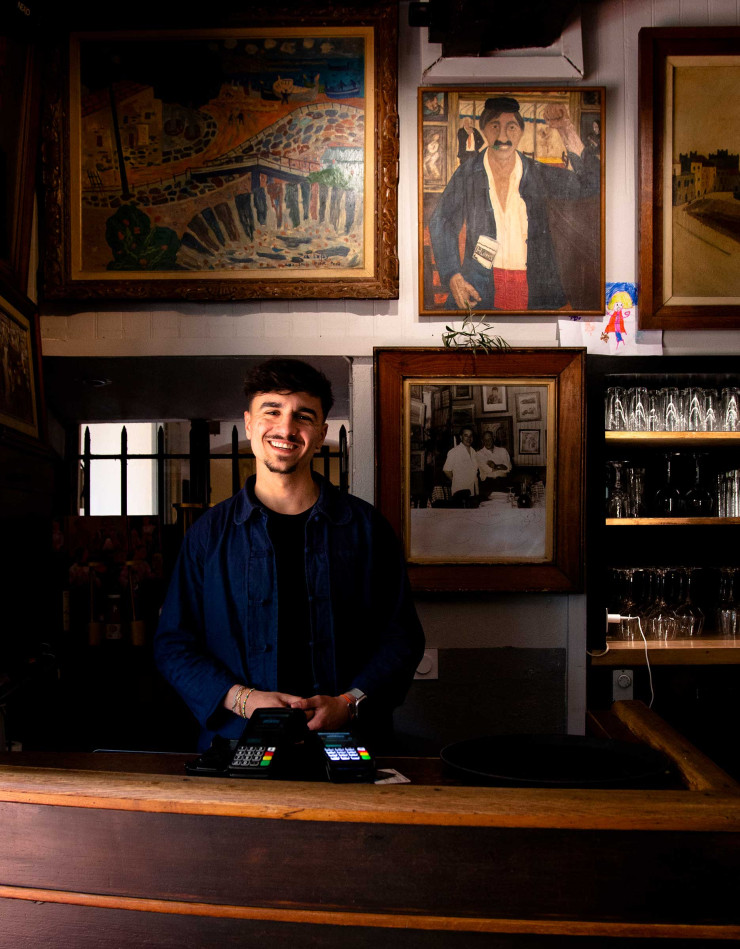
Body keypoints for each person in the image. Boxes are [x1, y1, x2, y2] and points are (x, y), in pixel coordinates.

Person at [154, 358, 425, 752]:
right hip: (238, 745)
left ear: (321, 433)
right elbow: (173, 644)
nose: (285, 428)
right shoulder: (206, 536)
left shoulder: (368, 529)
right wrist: (243, 700)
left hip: (348, 744)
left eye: (303, 416)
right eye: (272, 411)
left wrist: (349, 703)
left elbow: (402, 638)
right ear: (249, 423)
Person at [428, 95, 600, 312]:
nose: (503, 137)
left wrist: (566, 128)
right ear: (484, 129)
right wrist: (453, 276)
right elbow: (441, 221)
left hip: (536, 290)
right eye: (495, 126)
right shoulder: (468, 174)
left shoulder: (537, 173)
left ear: (520, 131)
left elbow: (590, 183)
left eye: (511, 127)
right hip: (480, 289)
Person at [442, 426, 480, 500]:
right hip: (460, 492)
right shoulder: (454, 452)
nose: (469, 438)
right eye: (466, 435)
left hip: (473, 491)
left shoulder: (474, 452)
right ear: (461, 437)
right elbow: (446, 470)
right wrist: (457, 480)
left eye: (471, 436)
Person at [477, 430, 512, 498]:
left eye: (489, 439)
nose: (487, 442)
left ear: (493, 438)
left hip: (503, 483)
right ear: (482, 441)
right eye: (485, 440)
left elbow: (508, 468)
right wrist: (501, 466)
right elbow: (487, 469)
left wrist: (495, 466)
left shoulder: (503, 451)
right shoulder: (479, 454)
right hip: (488, 484)